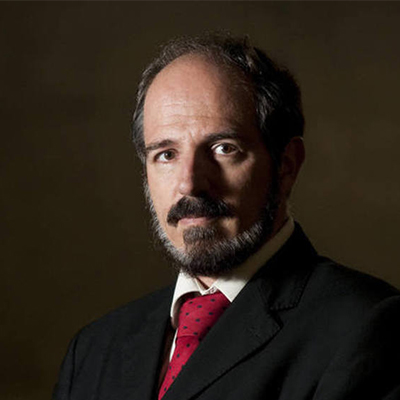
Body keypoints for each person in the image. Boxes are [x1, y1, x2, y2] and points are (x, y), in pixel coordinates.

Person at [53, 34, 400, 400]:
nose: (190, 183)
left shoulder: (369, 328)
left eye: (223, 148)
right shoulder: (93, 350)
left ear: (286, 166)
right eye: (166, 154)